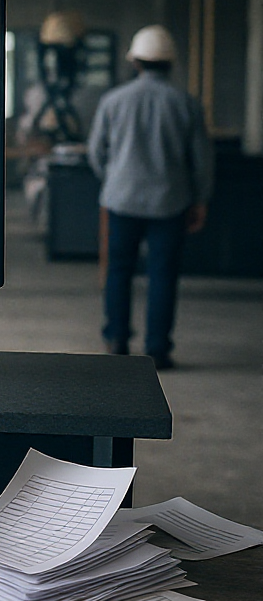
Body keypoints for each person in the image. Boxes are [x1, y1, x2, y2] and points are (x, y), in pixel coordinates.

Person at [87, 25, 212, 370]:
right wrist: (200, 199)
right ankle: (157, 348)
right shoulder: (186, 103)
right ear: (169, 63)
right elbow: (201, 159)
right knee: (163, 274)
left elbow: (96, 152)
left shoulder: (113, 100)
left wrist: (114, 180)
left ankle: (116, 340)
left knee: (118, 271)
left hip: (121, 200)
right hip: (169, 203)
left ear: (136, 62)